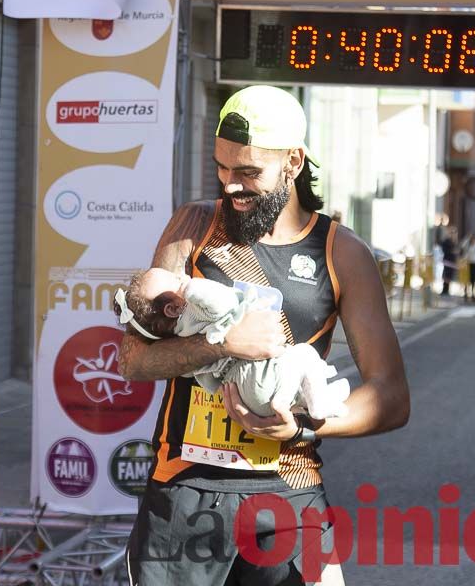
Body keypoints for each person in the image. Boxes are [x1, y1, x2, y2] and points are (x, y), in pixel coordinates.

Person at [119, 85, 410, 585]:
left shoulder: (342, 252)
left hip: (288, 491)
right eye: (222, 167)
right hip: (183, 490)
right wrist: (220, 346)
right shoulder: (193, 226)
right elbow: (132, 360)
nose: (231, 185)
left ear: (293, 162)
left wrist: (302, 429)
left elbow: (391, 396)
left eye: (249, 172)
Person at [115, 268, 351, 420]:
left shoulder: (180, 340)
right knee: (305, 354)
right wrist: (192, 288)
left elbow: (202, 377)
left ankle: (308, 400)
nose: (183, 276)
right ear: (174, 307)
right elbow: (222, 302)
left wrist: (221, 388)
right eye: (177, 279)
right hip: (258, 372)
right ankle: (318, 401)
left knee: (291, 377)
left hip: (240, 392)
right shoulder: (196, 308)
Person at [440, 228, 458, 297]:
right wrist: (451, 251)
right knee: (446, 275)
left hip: (452, 260)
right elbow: (444, 249)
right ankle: (444, 289)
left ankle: (447, 289)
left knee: (450, 276)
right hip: (448, 260)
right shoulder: (446, 241)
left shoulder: (454, 241)